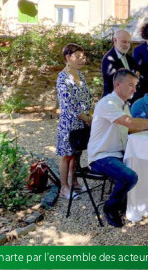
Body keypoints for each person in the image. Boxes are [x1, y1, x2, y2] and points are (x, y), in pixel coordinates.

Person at [87, 69, 148, 228]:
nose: (134, 90)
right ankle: (111, 206)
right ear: (117, 85)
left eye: (135, 86)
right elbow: (130, 123)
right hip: (101, 156)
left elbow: (130, 129)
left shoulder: (123, 105)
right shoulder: (107, 103)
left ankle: (145, 201)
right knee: (129, 176)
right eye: (131, 85)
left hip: (119, 153)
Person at [55, 43, 93, 199]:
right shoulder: (62, 78)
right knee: (67, 155)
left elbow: (87, 98)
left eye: (83, 57)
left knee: (77, 154)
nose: (81, 60)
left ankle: (75, 182)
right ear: (67, 57)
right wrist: (86, 118)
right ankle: (64, 187)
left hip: (82, 121)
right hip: (69, 122)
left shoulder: (81, 75)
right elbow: (68, 104)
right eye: (77, 57)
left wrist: (89, 115)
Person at [100, 30, 136, 96]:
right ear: (115, 40)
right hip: (113, 100)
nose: (127, 45)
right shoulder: (109, 59)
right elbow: (113, 84)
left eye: (129, 42)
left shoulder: (129, 58)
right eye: (124, 42)